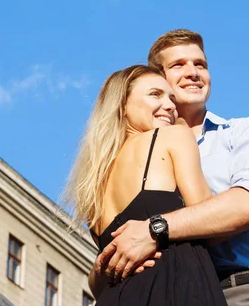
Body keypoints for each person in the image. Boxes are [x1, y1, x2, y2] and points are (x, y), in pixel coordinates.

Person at [93, 29, 249, 305]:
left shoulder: (246, 131)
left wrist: (155, 229)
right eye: (178, 65)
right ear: (157, 77)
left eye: (200, 64)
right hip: (169, 288)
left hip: (242, 289)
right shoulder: (140, 153)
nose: (192, 72)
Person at [62, 64, 229, 305]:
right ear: (123, 105)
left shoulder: (92, 187)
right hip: (175, 289)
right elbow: (209, 221)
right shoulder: (174, 136)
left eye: (172, 98)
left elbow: (100, 281)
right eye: (155, 94)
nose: (171, 106)